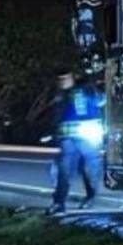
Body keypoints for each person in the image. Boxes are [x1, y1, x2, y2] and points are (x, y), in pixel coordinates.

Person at [47, 71, 105, 214]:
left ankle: (90, 197)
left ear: (73, 77)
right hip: (68, 138)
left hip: (88, 137)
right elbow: (56, 117)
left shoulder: (87, 90)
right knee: (64, 170)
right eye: (60, 79)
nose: (62, 81)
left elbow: (102, 100)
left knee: (89, 170)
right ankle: (59, 203)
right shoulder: (60, 95)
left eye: (65, 78)